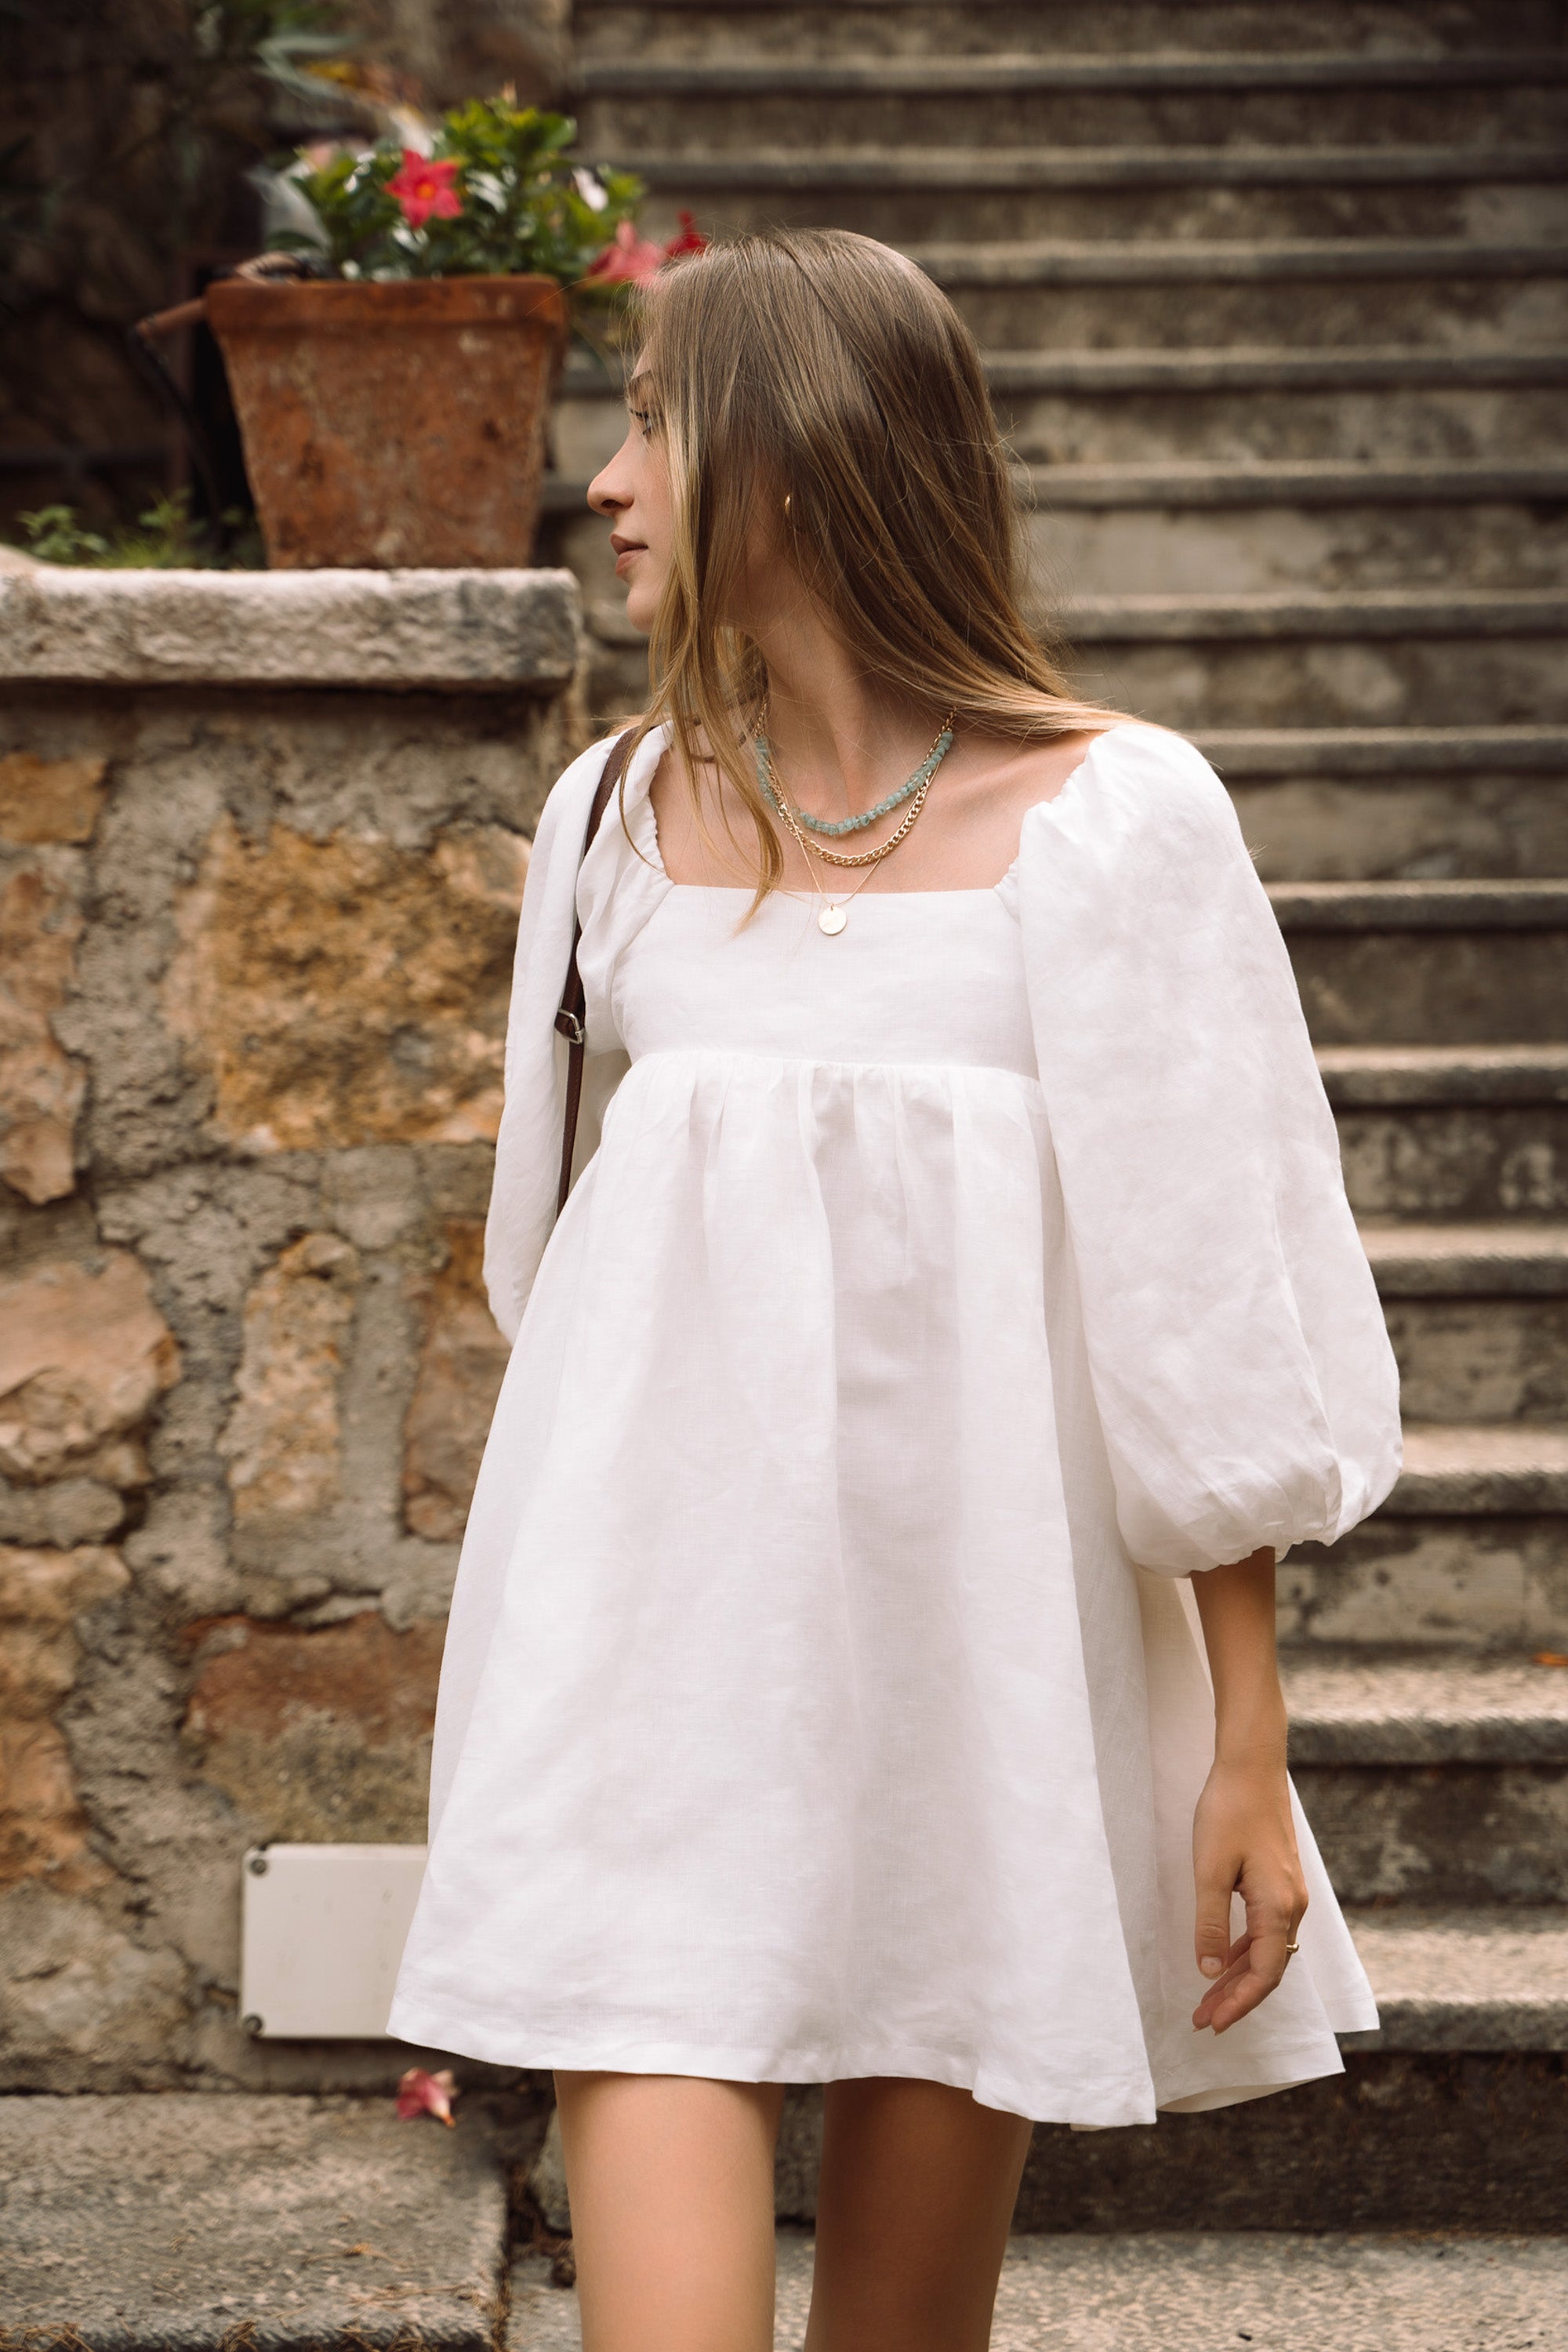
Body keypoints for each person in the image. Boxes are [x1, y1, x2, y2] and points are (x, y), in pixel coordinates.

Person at [390, 228, 1402, 2352]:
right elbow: (559, 1274)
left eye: (653, 418)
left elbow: (1207, 1304)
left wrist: (1241, 1740)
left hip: (984, 1669)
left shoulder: (1122, 824)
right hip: (648, 1659)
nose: (605, 479)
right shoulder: (611, 826)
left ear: (800, 452)